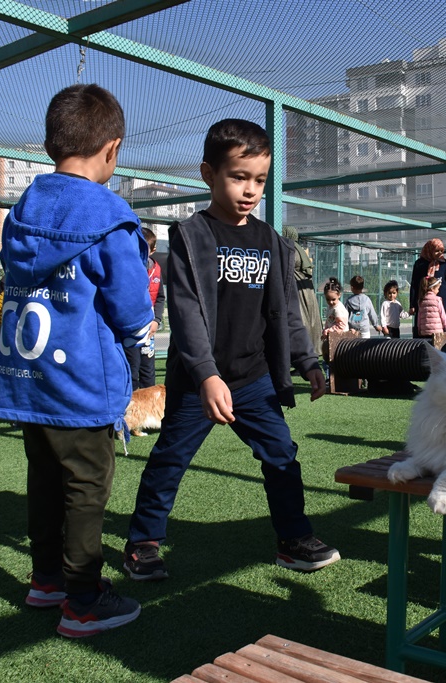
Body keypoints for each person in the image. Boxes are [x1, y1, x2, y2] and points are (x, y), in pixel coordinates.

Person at [123, 118, 337, 582]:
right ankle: (143, 541)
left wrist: (308, 360)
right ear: (208, 174)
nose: (250, 189)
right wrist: (205, 374)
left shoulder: (272, 245)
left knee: (282, 454)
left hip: (253, 378)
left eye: (259, 179)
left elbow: (286, 313)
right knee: (169, 460)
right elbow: (185, 311)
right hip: (198, 381)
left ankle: (293, 539)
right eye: (239, 177)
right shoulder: (191, 236)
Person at [0, 83, 152, 637]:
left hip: (27, 380)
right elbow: (133, 311)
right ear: (112, 148)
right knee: (87, 487)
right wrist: (138, 332)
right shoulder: (111, 215)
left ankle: (46, 580)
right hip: (80, 382)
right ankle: (84, 598)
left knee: (44, 479)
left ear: (48, 144)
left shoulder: (22, 210)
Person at [124, 227, 165, 390]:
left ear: (153, 250)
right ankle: (132, 408)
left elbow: (160, 297)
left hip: (149, 329)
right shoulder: (126, 269)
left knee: (148, 370)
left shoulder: (156, 270)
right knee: (132, 369)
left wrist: (156, 320)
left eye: (144, 249)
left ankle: (149, 408)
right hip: (131, 329)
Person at [284, 226, 323, 356]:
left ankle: (303, 354)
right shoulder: (298, 249)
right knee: (309, 320)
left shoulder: (290, 249)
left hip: (298, 289)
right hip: (306, 289)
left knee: (301, 320)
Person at [409, 238, 446, 337]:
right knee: (425, 324)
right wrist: (412, 304)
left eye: (441, 251)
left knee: (444, 323)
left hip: (443, 301)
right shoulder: (419, 264)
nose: (439, 253)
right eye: (437, 251)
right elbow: (414, 284)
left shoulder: (444, 264)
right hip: (424, 301)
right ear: (430, 250)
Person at [344, 275, 381, 339]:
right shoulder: (366, 299)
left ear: (352, 287)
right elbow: (372, 313)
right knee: (365, 347)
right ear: (362, 287)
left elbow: (344, 315)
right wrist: (376, 325)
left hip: (352, 330)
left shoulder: (349, 301)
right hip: (364, 329)